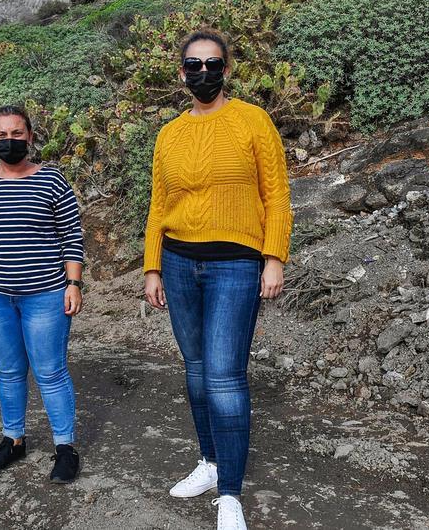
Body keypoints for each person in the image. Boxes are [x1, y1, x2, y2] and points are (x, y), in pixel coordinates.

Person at [143, 28, 293, 530]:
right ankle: (209, 463)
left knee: (225, 377)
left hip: (236, 264)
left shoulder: (254, 121)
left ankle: (230, 492)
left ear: (226, 70)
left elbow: (276, 196)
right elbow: (159, 205)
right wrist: (152, 265)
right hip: (180, 262)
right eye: (192, 65)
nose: (202, 73)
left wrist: (273, 258)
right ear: (181, 73)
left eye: (212, 64)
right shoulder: (170, 133)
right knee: (196, 367)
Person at [0, 105, 85, 484]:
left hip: (46, 296)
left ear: (30, 136)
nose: (9, 141)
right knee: (9, 371)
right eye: (1, 135)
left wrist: (74, 284)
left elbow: (72, 237)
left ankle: (65, 448)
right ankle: (13, 440)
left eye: (17, 134)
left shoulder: (52, 181)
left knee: (50, 372)